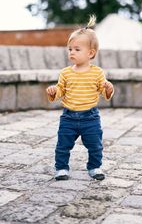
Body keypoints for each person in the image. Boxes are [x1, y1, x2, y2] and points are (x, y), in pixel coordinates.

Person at [46, 15, 114, 181]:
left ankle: (94, 166)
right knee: (62, 145)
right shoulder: (66, 73)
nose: (72, 52)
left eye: (77, 49)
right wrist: (54, 91)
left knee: (95, 146)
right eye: (70, 49)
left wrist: (108, 89)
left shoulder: (97, 72)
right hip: (68, 116)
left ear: (90, 53)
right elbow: (61, 90)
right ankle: (61, 168)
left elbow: (103, 92)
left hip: (90, 117)